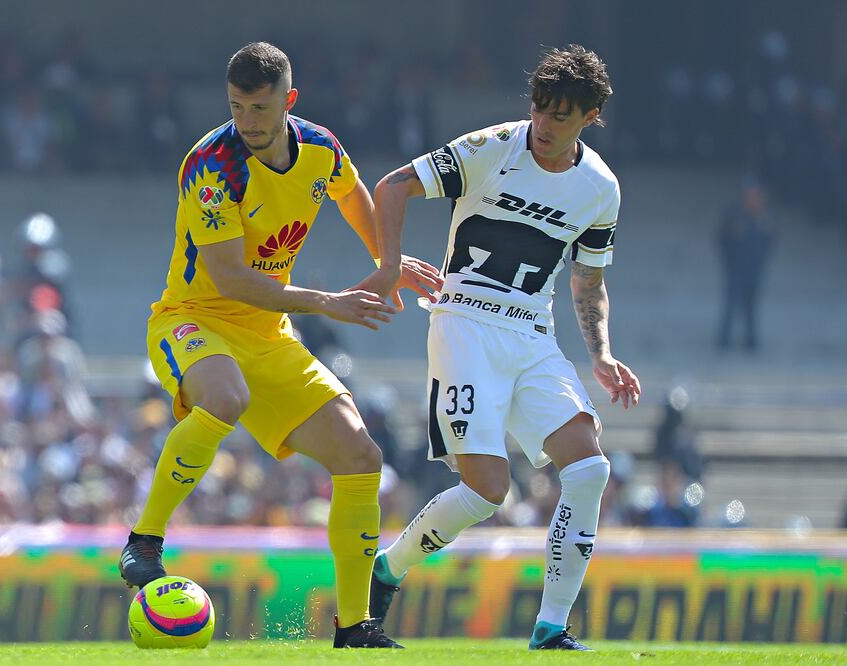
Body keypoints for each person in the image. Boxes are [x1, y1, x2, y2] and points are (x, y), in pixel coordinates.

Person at [118, 42, 441, 649]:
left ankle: (354, 627)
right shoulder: (211, 165)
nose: (248, 121)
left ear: (288, 101)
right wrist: (329, 302)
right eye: (237, 106)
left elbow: (351, 194)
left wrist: (386, 261)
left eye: (260, 107)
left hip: (268, 334)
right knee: (225, 395)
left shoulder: (319, 147)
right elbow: (232, 279)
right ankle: (144, 543)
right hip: (195, 318)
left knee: (361, 458)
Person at [363, 45, 642, 651]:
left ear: (591, 117)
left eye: (560, 116)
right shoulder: (494, 146)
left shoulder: (600, 189)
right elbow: (391, 188)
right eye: (539, 108)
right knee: (488, 493)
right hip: (464, 325)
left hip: (533, 336)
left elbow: (588, 279)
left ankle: (551, 628)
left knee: (590, 467)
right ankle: (386, 570)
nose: (543, 124)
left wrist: (600, 353)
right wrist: (390, 268)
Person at [716, 178, 774, 351]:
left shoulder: (765, 217)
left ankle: (751, 341)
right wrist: (729, 260)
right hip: (736, 268)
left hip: (754, 269)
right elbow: (722, 239)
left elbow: (771, 240)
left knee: (751, 306)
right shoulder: (733, 215)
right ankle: (724, 340)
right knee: (731, 304)